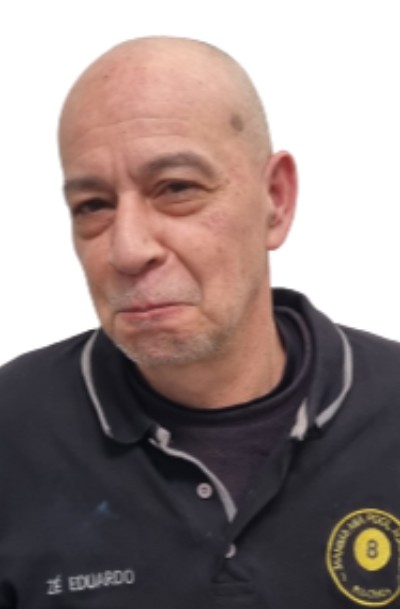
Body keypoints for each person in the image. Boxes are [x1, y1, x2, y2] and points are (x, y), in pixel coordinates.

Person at [0, 37, 399, 609]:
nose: (128, 249)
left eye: (177, 189)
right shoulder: (13, 433)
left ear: (275, 199)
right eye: (93, 205)